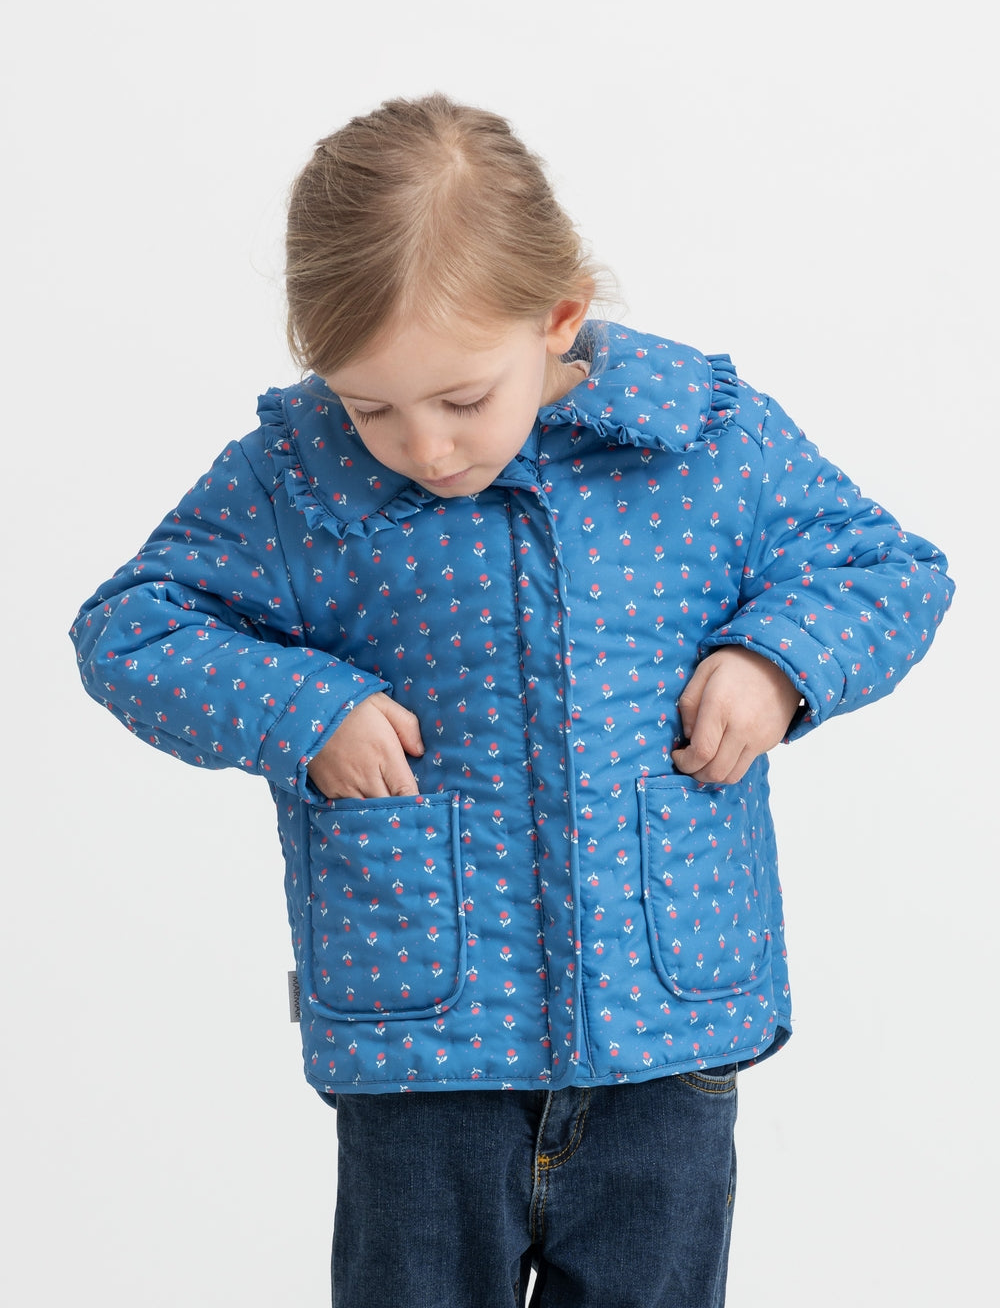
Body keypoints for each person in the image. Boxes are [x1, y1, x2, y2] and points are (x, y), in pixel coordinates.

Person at [70, 93, 954, 1308]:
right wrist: (302, 709)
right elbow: (130, 625)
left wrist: (777, 661)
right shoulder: (299, 474)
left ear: (558, 317)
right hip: (423, 1047)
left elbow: (889, 569)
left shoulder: (703, 440)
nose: (423, 447)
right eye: (370, 407)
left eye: (461, 399)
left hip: (667, 1037)